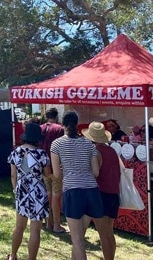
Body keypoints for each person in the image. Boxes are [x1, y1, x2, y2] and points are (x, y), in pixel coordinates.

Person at [50, 111, 103, 260]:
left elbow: (57, 175)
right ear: (78, 123)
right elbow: (96, 172)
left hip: (73, 191)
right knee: (79, 237)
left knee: (77, 240)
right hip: (92, 191)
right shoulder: (88, 143)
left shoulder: (57, 144)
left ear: (63, 124)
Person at [7, 123, 50, 260]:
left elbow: (13, 175)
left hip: (22, 191)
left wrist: (15, 189)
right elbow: (47, 174)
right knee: (35, 231)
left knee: (19, 227)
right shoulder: (42, 154)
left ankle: (13, 255)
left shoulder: (16, 152)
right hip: (38, 192)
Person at [82, 121, 120, 260]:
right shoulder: (112, 151)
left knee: (103, 233)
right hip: (114, 194)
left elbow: (94, 173)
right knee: (109, 232)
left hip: (101, 194)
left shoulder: (96, 152)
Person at [40, 107, 67, 233]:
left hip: (43, 165)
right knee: (56, 196)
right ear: (56, 116)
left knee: (47, 194)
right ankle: (56, 225)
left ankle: (47, 222)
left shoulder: (40, 128)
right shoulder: (59, 129)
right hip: (55, 165)